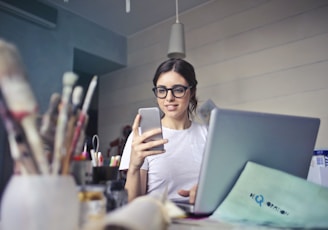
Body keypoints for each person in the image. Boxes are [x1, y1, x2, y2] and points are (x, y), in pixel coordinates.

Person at [119, 58, 207, 204]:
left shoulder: (207, 134)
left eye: (178, 90)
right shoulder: (143, 136)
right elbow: (132, 204)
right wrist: (134, 167)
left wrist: (206, 193)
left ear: (192, 92)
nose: (169, 98)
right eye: (162, 90)